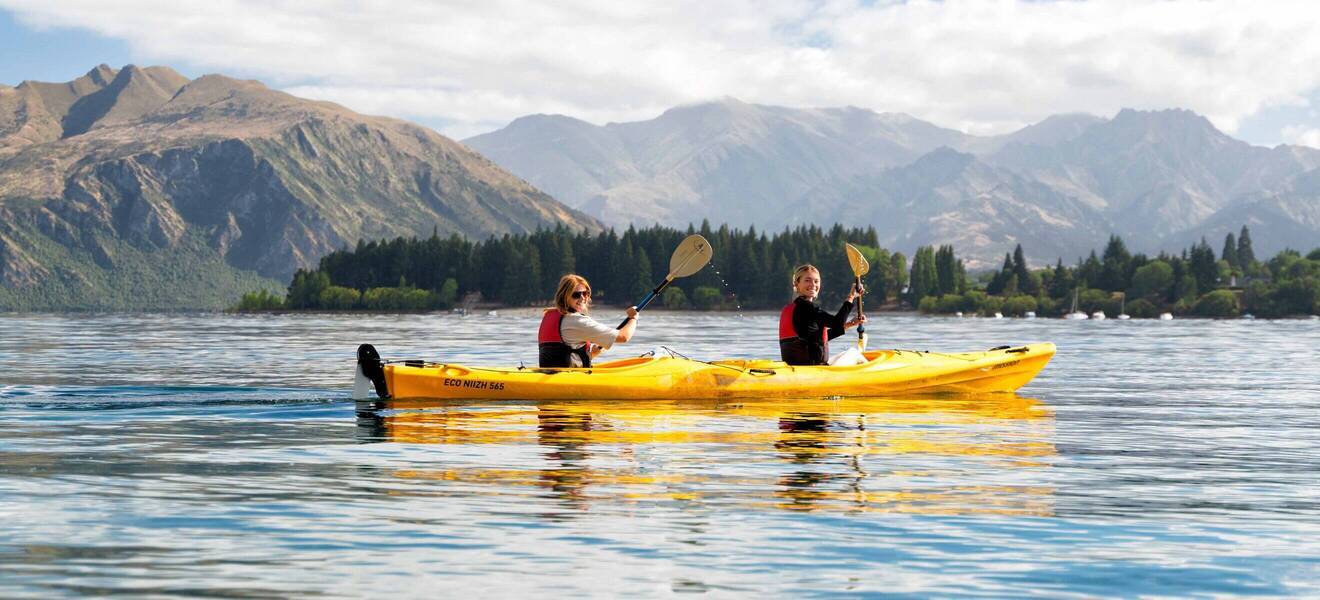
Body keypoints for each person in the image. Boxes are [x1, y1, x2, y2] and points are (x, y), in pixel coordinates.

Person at [538, 274, 639, 368]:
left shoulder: (549, 315)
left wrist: (599, 346)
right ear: (565, 297)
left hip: (550, 375)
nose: (582, 298)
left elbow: (573, 353)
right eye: (576, 295)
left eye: (585, 293)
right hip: (571, 378)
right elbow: (624, 337)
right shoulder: (577, 321)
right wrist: (633, 318)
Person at [778, 264, 865, 366]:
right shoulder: (808, 308)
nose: (813, 284)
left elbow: (816, 339)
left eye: (816, 281)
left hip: (796, 367)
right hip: (812, 368)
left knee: (845, 354)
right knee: (854, 353)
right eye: (807, 280)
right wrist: (851, 297)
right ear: (797, 284)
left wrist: (849, 324)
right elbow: (837, 323)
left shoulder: (795, 308)